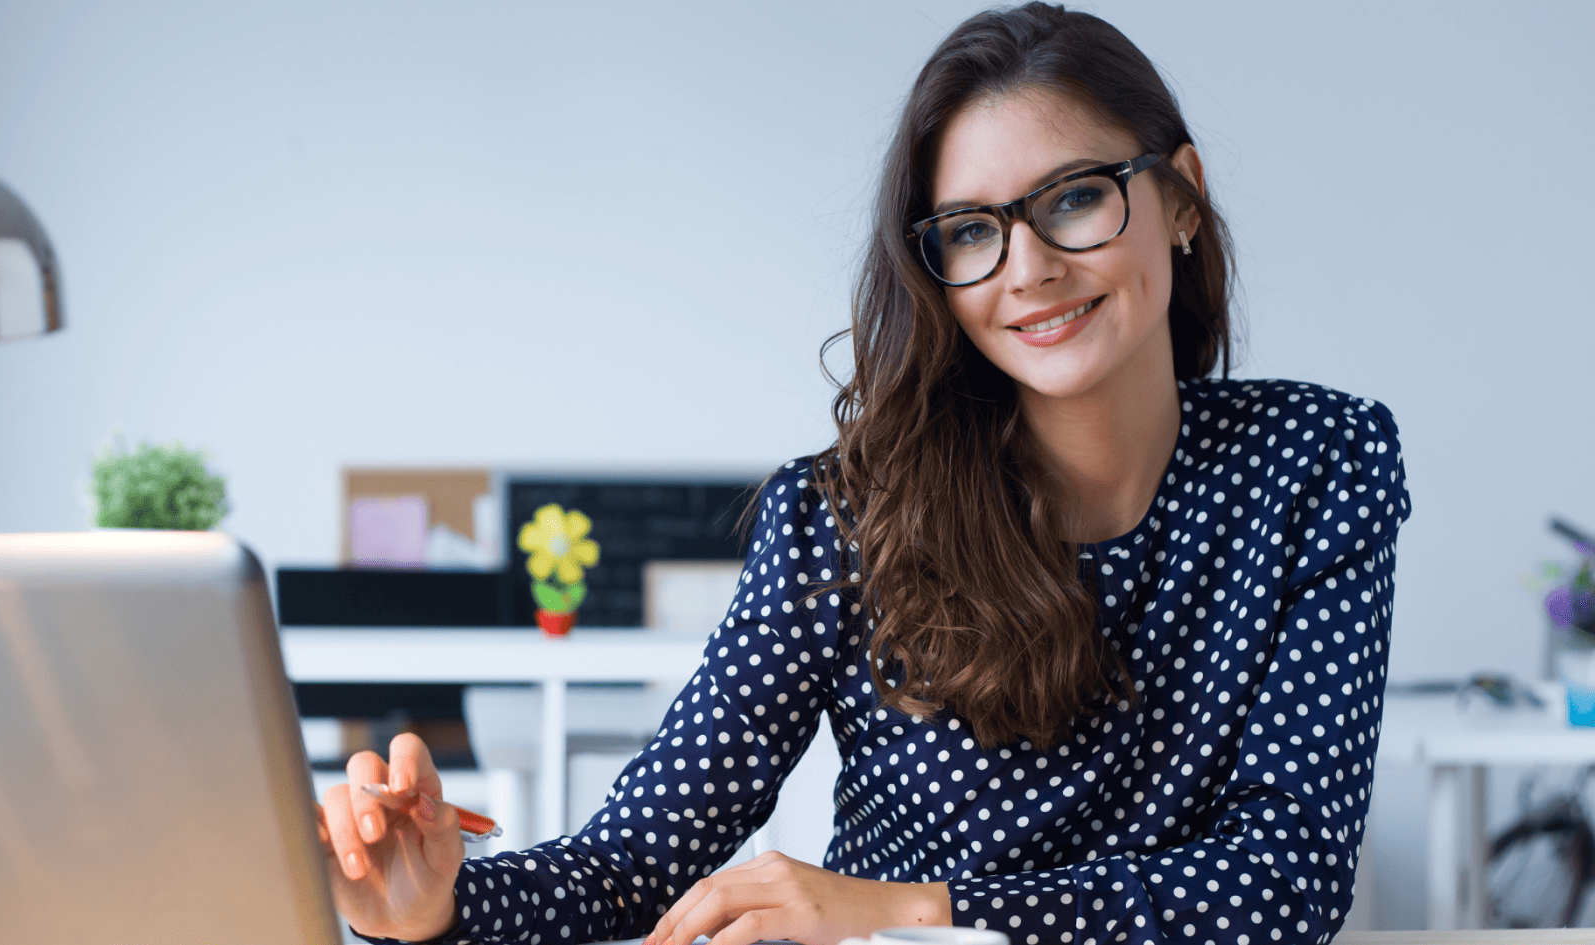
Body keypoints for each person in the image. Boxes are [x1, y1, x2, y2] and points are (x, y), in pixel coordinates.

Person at [317, 4, 1411, 944]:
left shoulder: (1317, 465)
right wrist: (429, 909)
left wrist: (899, 910)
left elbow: (1285, 882)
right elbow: (637, 860)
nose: (1027, 270)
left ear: (1181, 198)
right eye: (972, 230)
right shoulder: (847, 517)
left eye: (1075, 197)